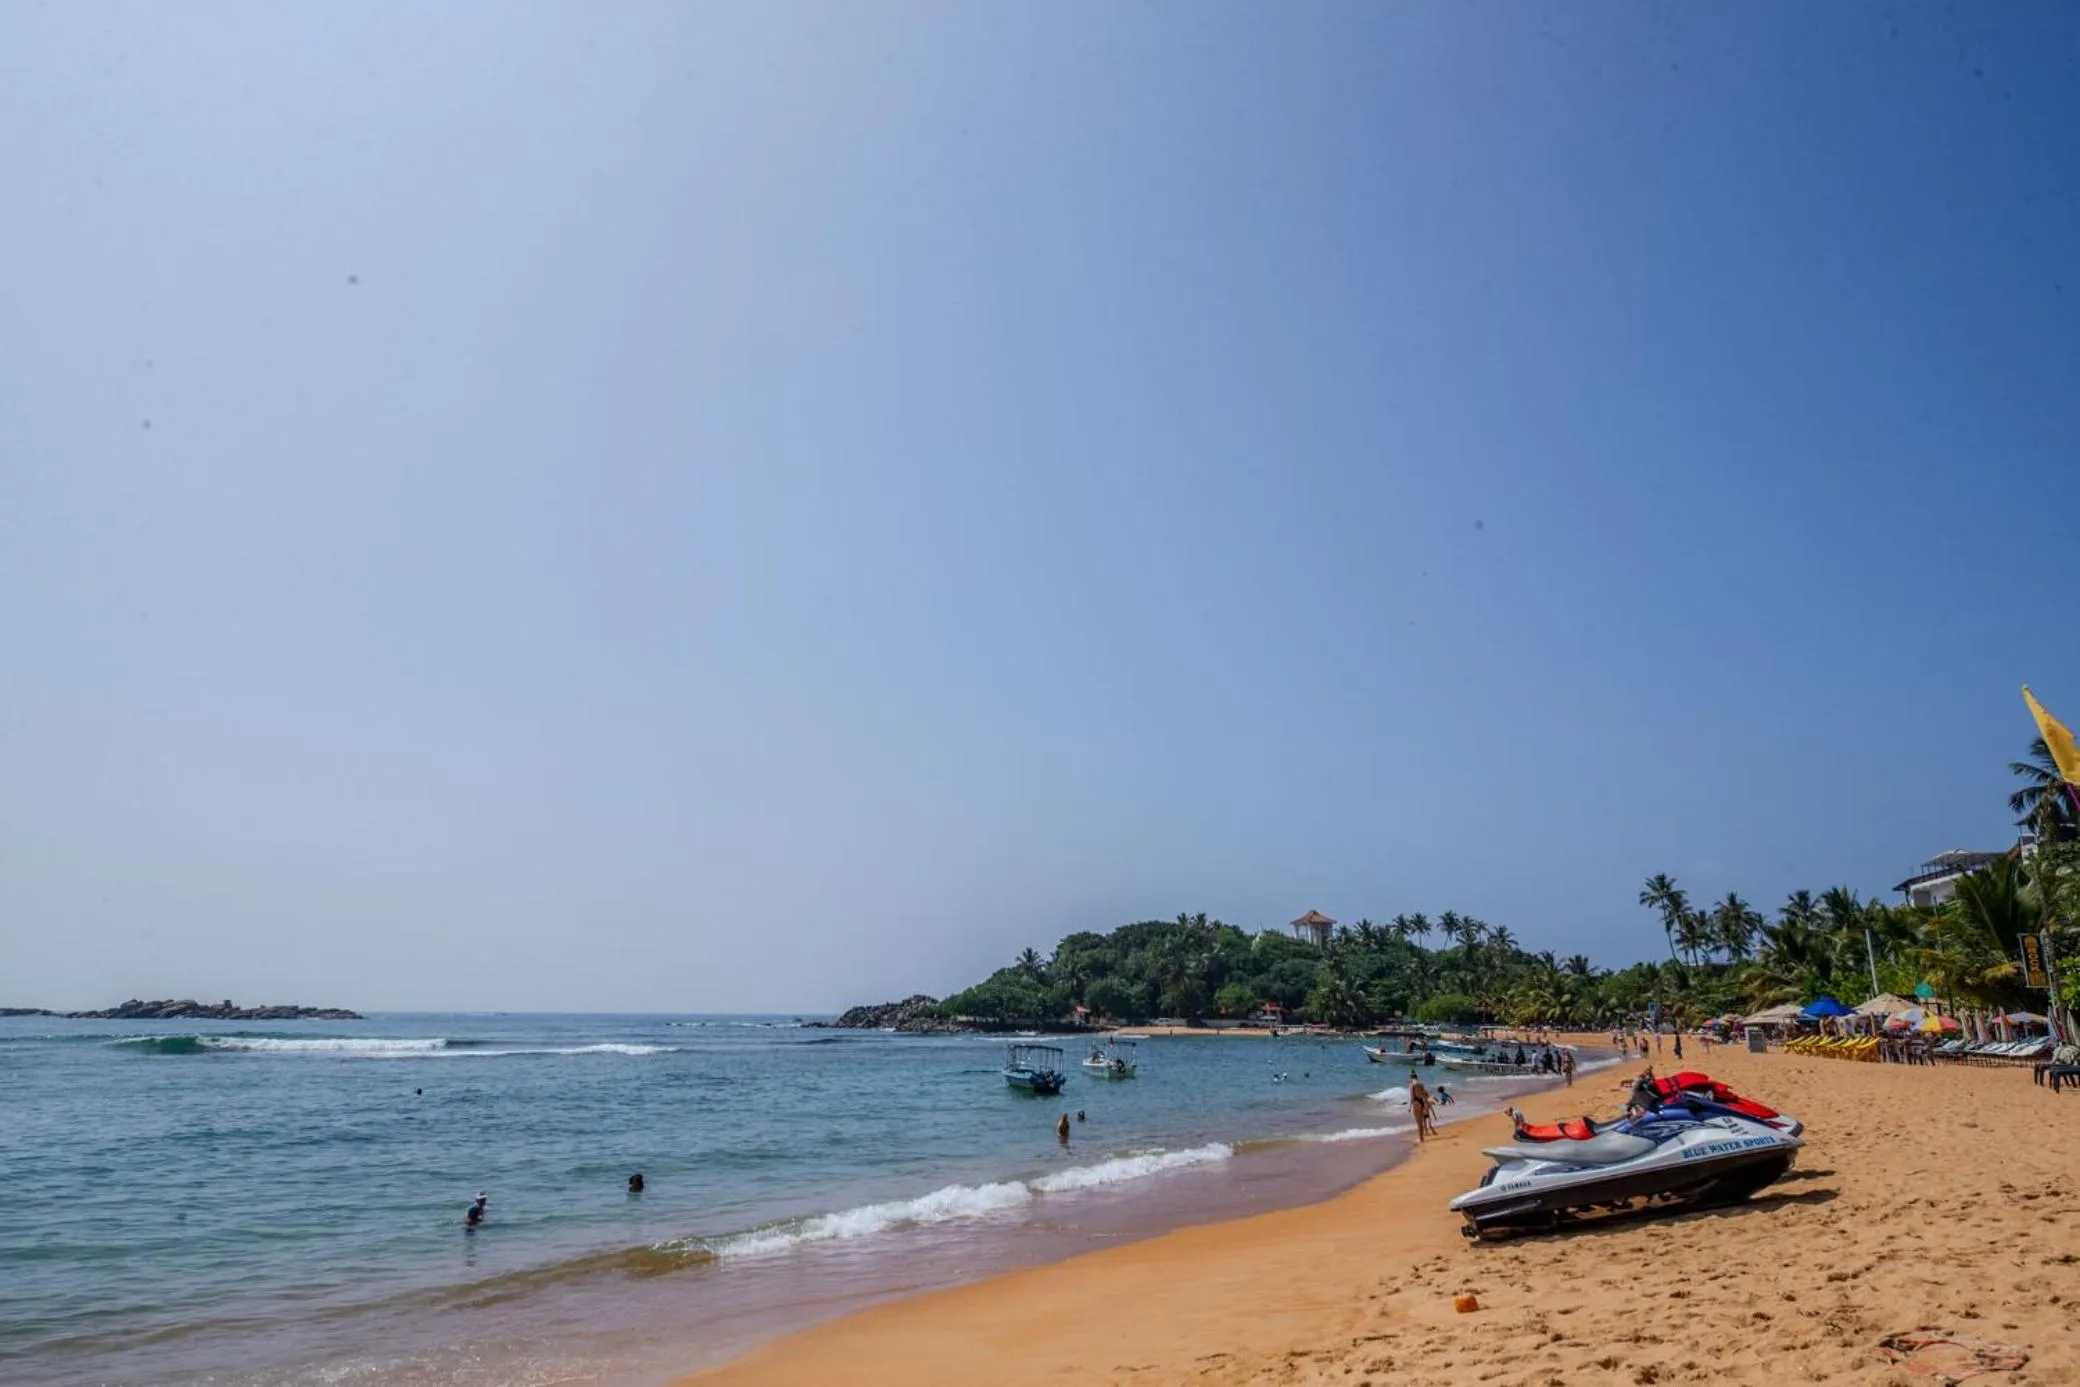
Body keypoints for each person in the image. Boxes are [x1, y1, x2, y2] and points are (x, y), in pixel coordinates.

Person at [1407, 1071, 1434, 1140]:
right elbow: (1424, 1095)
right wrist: (1426, 1104)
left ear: (1410, 1077)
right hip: (1421, 1102)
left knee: (1418, 1122)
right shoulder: (1421, 1084)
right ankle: (1422, 1138)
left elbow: (1412, 1097)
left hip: (1416, 1103)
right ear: (1417, 1077)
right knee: (1421, 1122)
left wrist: (1409, 1107)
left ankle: (1421, 1139)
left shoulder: (1411, 1085)